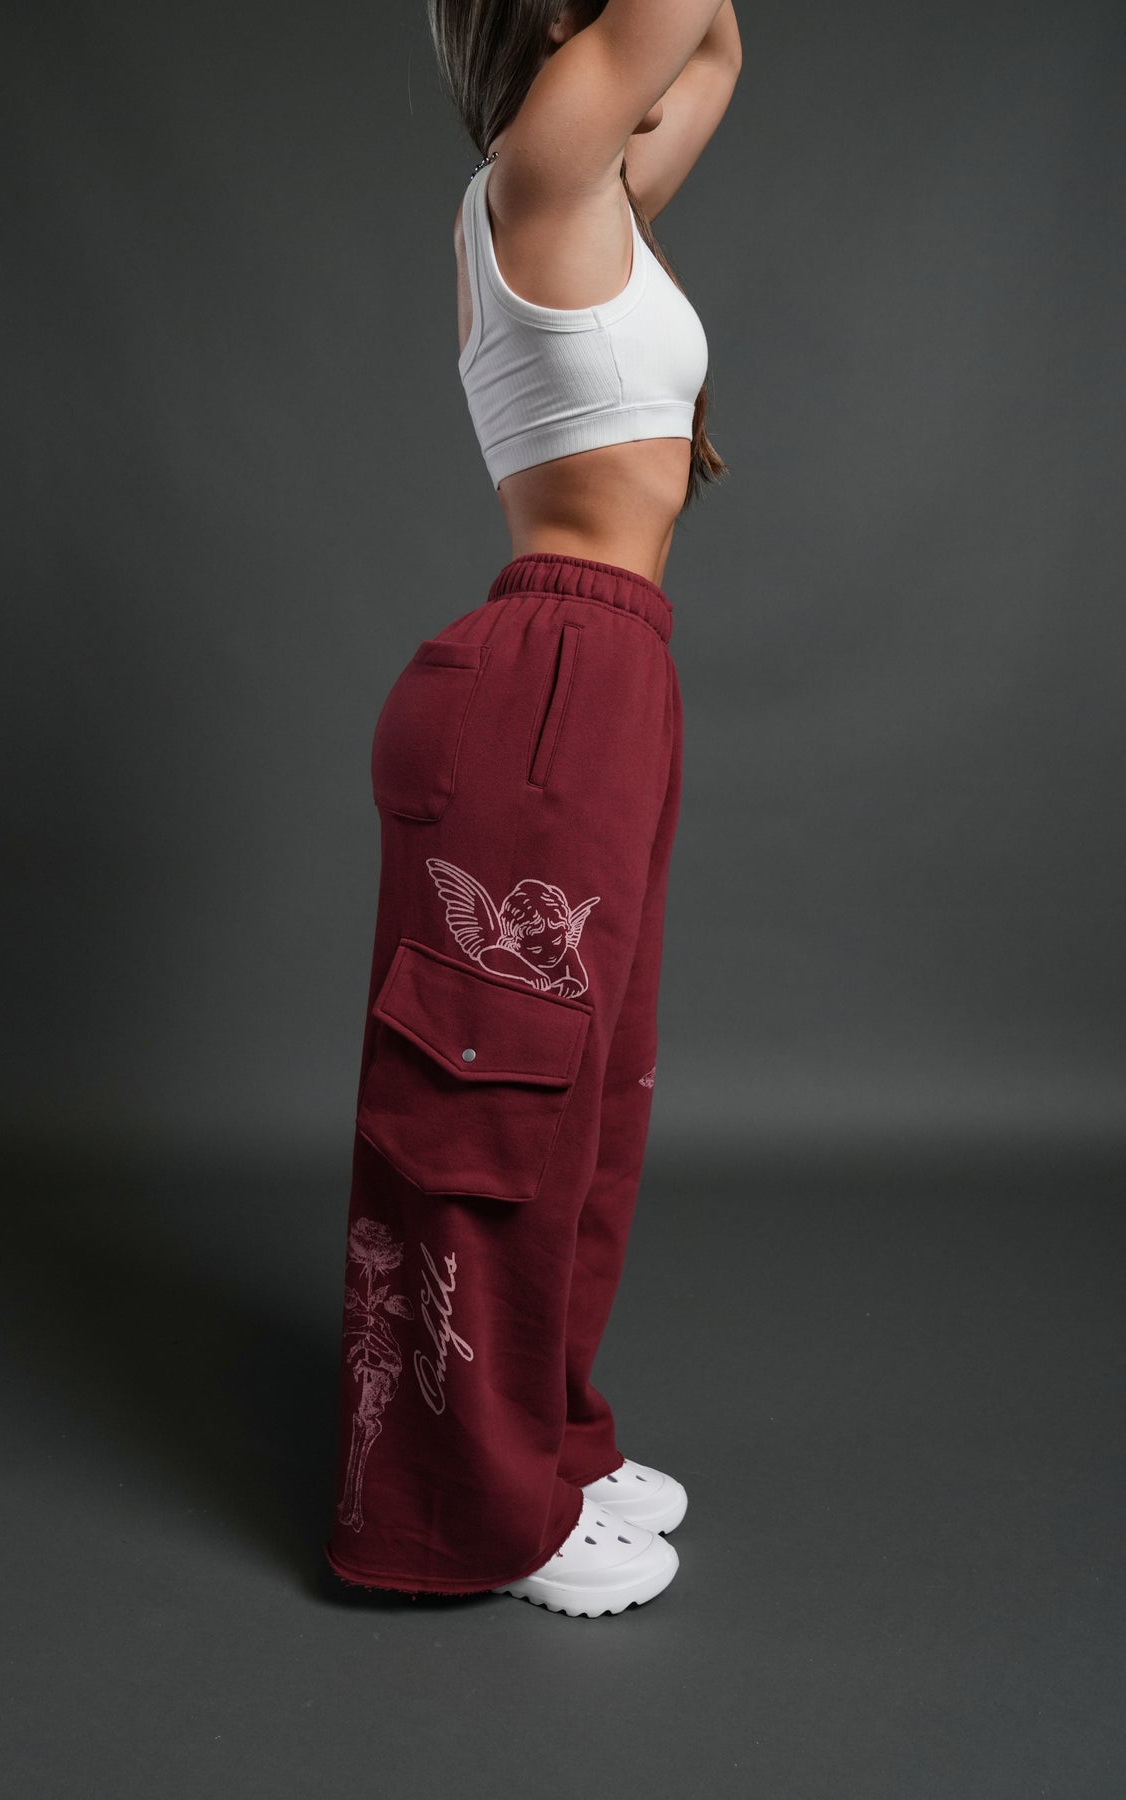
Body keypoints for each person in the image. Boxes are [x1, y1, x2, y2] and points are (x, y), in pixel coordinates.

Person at [324, 0, 742, 1617]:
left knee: (591, 1102)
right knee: (491, 1107)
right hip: (548, 680)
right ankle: (471, 1514)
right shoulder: (535, 172)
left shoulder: (596, 188)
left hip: (609, 673)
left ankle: (547, 1441)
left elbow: (712, 48)